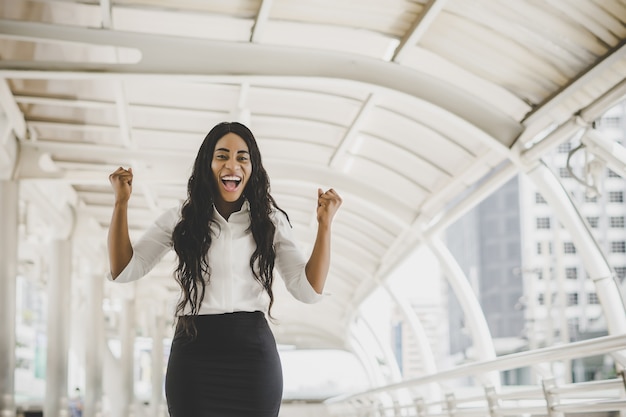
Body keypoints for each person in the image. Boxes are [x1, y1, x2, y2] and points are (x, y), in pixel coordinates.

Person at [107, 121, 342, 417]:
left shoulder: (270, 221)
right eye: (222, 156)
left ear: (253, 167)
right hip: (194, 355)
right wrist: (121, 203)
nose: (232, 164)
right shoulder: (180, 218)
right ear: (207, 163)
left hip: (252, 359)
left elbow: (307, 290)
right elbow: (125, 269)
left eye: (242, 157)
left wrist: (325, 225)